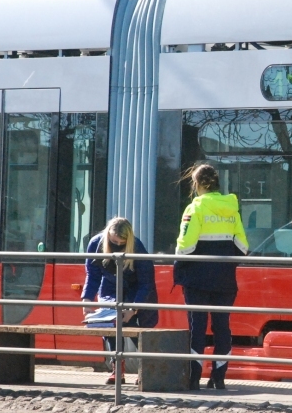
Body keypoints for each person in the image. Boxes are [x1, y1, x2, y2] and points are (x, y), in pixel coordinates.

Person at [174, 163, 248, 390]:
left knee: (198, 327)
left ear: (196, 184)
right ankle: (219, 378)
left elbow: (185, 248)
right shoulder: (232, 209)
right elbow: (243, 247)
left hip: (197, 279)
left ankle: (194, 378)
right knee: (222, 327)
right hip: (225, 280)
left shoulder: (194, 209)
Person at [81, 217, 158, 385]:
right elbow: (93, 274)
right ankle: (117, 368)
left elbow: (146, 282)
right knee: (110, 324)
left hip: (137, 289)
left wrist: (132, 308)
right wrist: (87, 299)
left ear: (127, 240)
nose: (115, 244)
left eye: (120, 242)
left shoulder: (137, 247)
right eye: (112, 240)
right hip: (110, 288)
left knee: (136, 329)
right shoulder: (96, 243)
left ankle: (145, 369)